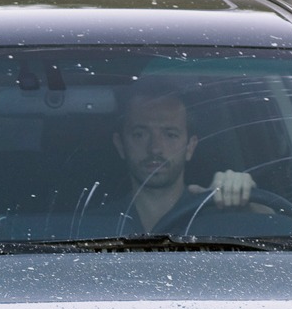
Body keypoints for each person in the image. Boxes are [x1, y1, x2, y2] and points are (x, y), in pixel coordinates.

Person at [104, 80, 265, 234]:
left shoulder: (219, 216)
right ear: (120, 145)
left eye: (170, 135)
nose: (155, 148)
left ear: (190, 146)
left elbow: (281, 230)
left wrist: (248, 201)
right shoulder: (93, 226)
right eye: (139, 134)